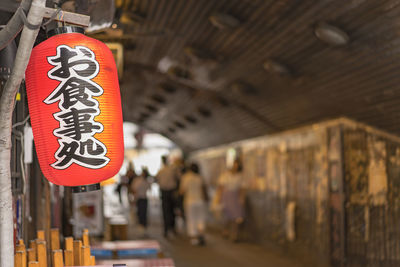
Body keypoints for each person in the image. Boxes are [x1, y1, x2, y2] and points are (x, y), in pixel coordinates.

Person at [216, 159, 246, 242]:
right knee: (227, 216)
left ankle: (234, 235)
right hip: (226, 197)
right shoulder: (225, 175)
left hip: (235, 197)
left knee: (236, 217)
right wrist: (219, 198)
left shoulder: (240, 176)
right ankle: (225, 230)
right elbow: (221, 187)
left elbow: (242, 188)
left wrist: (241, 198)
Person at [179, 163, 208, 246]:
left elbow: (182, 191)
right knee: (201, 218)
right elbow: (203, 189)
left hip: (189, 201)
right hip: (200, 201)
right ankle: (201, 233)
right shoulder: (200, 177)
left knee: (191, 219)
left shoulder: (185, 178)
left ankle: (194, 238)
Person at [156, 155, 179, 237]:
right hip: (171, 192)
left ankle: (166, 229)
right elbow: (177, 179)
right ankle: (172, 228)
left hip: (164, 192)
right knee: (172, 211)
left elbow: (157, 181)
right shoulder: (172, 170)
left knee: (166, 211)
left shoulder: (161, 171)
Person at [132, 167, 151, 233]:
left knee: (142, 213)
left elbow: (134, 190)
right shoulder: (143, 181)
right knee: (142, 213)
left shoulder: (140, 181)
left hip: (141, 198)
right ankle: (142, 225)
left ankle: (142, 225)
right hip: (142, 198)